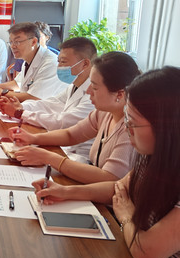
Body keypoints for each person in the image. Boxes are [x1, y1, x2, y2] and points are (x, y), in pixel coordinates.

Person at [33, 67, 180, 258]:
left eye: (133, 123)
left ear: (167, 126)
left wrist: (126, 215)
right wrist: (65, 192)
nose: (128, 130)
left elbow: (146, 251)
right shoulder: (153, 156)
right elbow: (118, 188)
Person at [10, 51, 140, 184]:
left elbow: (109, 178)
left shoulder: (130, 128)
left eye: (94, 87)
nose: (88, 91)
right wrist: (33, 138)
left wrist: (49, 158)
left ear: (119, 94)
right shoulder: (104, 113)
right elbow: (71, 135)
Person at [0, 37, 97, 159]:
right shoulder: (74, 85)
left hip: (78, 157)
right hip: (62, 148)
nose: (59, 66)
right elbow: (50, 103)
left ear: (85, 64)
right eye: (59, 61)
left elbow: (63, 122)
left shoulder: (95, 94)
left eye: (63, 62)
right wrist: (20, 106)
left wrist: (20, 113)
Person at [0, 22, 67, 101]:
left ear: (33, 42)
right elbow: (17, 84)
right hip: (31, 108)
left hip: (48, 110)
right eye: (11, 42)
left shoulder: (51, 63)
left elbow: (34, 97)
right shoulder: (27, 60)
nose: (13, 46)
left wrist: (2, 92)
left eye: (17, 42)